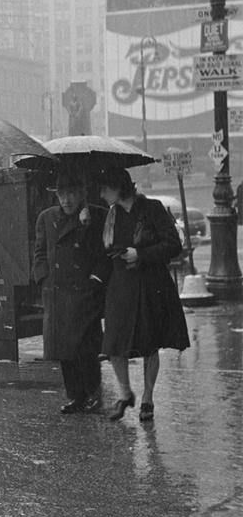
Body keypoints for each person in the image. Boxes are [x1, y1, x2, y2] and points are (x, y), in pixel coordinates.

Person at [96, 167, 190, 423]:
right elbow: (104, 250)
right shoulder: (111, 215)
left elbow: (173, 244)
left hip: (151, 285)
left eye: (105, 188)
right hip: (121, 286)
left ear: (118, 187)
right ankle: (126, 394)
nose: (102, 193)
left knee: (150, 343)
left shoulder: (152, 208)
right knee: (114, 344)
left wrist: (141, 254)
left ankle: (147, 399)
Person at [32, 171, 110, 414]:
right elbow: (40, 251)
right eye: (61, 195)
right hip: (56, 292)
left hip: (83, 292)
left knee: (85, 348)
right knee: (63, 350)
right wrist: (43, 277)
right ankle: (76, 396)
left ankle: (93, 395)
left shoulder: (96, 216)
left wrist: (95, 280)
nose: (65, 200)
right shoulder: (47, 217)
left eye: (71, 194)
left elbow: (104, 254)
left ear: (80, 194)